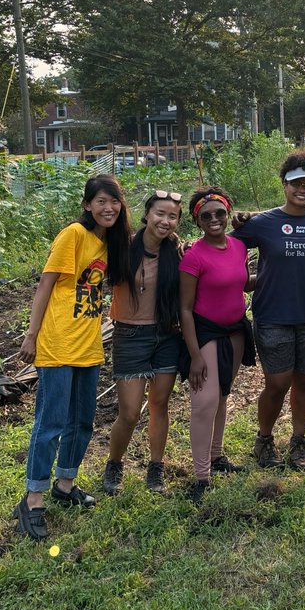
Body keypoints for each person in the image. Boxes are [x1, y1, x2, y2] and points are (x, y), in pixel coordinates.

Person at [15, 174, 130, 541]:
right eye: (100, 201)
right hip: (57, 344)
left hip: (88, 346)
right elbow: (46, 284)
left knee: (82, 421)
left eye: (113, 202)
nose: (107, 208)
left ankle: (64, 485)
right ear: (87, 205)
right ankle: (32, 499)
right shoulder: (73, 236)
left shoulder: (110, 242)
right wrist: (31, 336)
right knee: (50, 423)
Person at [234, 150, 305, 472]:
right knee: (277, 383)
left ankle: (299, 441)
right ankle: (264, 438)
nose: (302, 190)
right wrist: (242, 279)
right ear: (284, 184)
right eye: (295, 184)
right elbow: (226, 246)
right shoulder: (262, 223)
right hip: (273, 316)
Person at [101, 190, 185, 497]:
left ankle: (155, 467)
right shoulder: (123, 247)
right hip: (129, 336)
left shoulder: (175, 251)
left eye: (172, 216)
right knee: (130, 412)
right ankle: (114, 463)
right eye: (160, 214)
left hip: (166, 335)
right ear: (146, 215)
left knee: (159, 404)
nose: (165, 221)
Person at [178, 186, 256, 503]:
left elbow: (242, 282)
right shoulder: (193, 256)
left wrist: (275, 275)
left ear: (227, 214)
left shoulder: (238, 247)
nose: (214, 219)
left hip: (235, 330)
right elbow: (185, 308)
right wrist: (195, 355)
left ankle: (216, 455)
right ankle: (201, 476)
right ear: (198, 221)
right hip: (206, 332)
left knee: (223, 393)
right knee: (204, 403)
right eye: (206, 215)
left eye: (219, 213)